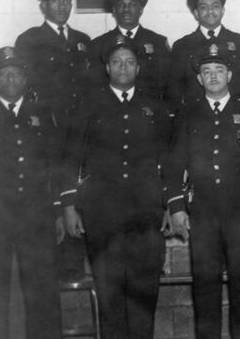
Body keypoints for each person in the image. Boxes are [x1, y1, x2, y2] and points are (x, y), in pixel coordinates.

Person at [61, 35, 171, 339]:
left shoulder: (155, 107)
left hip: (146, 214)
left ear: (138, 68)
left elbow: (170, 160)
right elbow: (70, 157)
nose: (123, 67)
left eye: (130, 62)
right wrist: (69, 206)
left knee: (144, 293)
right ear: (107, 67)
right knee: (109, 294)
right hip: (101, 213)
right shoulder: (88, 104)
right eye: (117, 62)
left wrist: (169, 204)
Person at [166, 43, 240, 339]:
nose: (213, 76)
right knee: (205, 286)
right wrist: (177, 207)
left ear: (230, 74)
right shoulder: (188, 114)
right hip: (204, 213)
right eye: (206, 72)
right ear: (199, 79)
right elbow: (174, 164)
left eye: (219, 70)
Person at [15, 0, 91, 281]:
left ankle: (80, 271)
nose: (62, 6)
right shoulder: (29, 40)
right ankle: (62, 277)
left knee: (81, 197)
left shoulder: (84, 41)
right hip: (49, 135)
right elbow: (24, 91)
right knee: (55, 200)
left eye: (67, 1)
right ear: (43, 5)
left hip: (83, 136)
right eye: (55, 1)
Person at [0, 46, 62, 339]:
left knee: (43, 290)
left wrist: (57, 210)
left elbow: (56, 164)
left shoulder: (42, 115)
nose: (10, 79)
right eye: (3, 74)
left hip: (37, 215)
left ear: (25, 78)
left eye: (16, 72)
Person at [167, 0, 240, 113]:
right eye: (204, 7)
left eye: (215, 6)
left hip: (235, 116)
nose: (210, 11)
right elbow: (174, 91)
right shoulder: (182, 46)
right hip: (195, 117)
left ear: (222, 10)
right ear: (196, 13)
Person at [88, 0, 171, 101]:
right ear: (114, 10)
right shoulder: (98, 45)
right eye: (121, 5)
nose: (126, 9)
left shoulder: (158, 43)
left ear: (141, 9)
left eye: (132, 4)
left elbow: (168, 84)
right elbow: (94, 86)